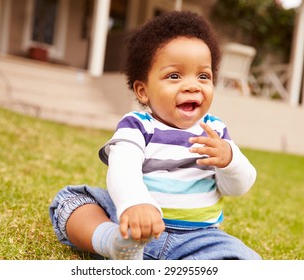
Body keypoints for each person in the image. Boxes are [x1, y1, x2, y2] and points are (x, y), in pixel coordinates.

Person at [49, 11, 261, 260]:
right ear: (143, 91)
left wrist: (230, 160)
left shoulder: (215, 131)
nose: (193, 85)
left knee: (246, 260)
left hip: (198, 239)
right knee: (71, 202)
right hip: (131, 226)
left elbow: (237, 187)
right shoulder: (137, 126)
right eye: (174, 76)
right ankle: (112, 242)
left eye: (203, 76)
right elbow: (123, 168)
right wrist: (136, 203)